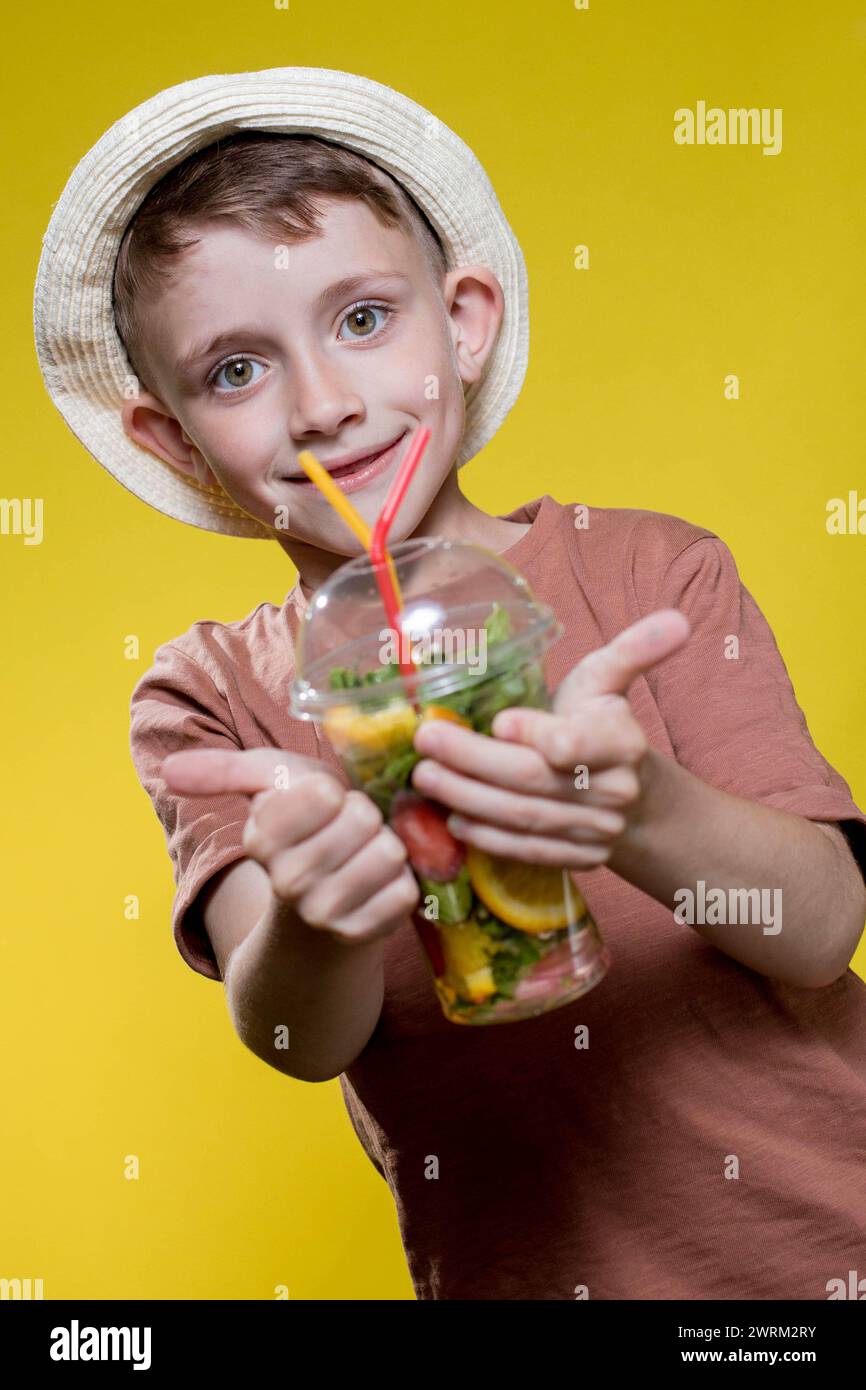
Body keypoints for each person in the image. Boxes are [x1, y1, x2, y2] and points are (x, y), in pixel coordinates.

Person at [34, 67, 866, 1301]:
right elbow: (290, 1039)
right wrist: (320, 916)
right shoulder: (211, 699)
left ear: (463, 318)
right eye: (235, 372)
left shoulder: (647, 573)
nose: (324, 406)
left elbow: (818, 932)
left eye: (362, 320)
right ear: (171, 438)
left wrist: (640, 811)